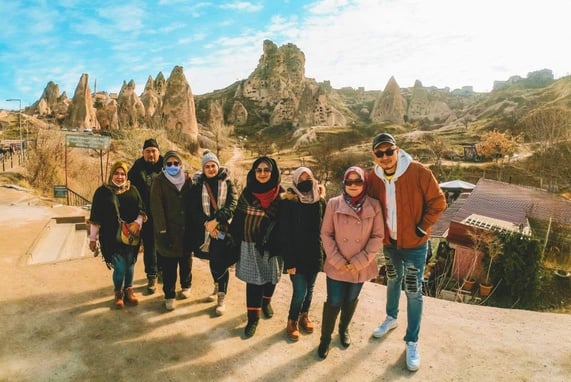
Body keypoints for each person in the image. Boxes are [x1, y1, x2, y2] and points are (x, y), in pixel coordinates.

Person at [367, 132, 446, 372]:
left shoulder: (419, 172)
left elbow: (438, 202)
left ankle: (412, 341)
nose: (385, 157)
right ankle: (391, 317)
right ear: (374, 156)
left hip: (414, 245)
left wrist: (422, 227)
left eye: (389, 151)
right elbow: (362, 198)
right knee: (392, 279)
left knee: (413, 290)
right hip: (390, 244)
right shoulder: (374, 178)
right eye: (379, 153)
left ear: (397, 150)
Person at [318, 165, 384, 359]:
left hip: (360, 265)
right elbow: (326, 234)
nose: (353, 185)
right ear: (344, 183)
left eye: (358, 181)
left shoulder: (374, 205)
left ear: (364, 183)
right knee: (334, 301)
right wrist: (337, 260)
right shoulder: (333, 203)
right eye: (349, 181)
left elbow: (378, 235)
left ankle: (343, 329)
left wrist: (359, 261)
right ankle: (325, 339)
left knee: (350, 300)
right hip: (337, 264)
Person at [230, 156, 284, 338]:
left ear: (273, 172)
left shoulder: (282, 195)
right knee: (254, 283)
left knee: (270, 278)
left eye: (266, 170)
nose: (262, 173)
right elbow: (238, 218)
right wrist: (232, 239)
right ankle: (253, 318)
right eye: (258, 170)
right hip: (250, 245)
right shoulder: (247, 193)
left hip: (273, 247)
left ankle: (266, 302)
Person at [88, 161, 146, 309]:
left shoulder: (133, 190)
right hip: (110, 238)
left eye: (122, 174)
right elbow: (95, 218)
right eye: (116, 173)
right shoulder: (102, 192)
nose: (120, 177)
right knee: (120, 267)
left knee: (130, 264)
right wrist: (93, 239)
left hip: (131, 236)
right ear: (111, 174)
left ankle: (129, 290)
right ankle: (118, 292)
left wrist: (137, 223)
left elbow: (142, 211)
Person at [188, 150, 237, 316]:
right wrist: (206, 224)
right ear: (203, 169)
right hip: (206, 233)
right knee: (212, 260)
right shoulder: (198, 186)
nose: (210, 169)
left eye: (213, 165)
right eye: (207, 166)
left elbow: (232, 205)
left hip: (223, 230)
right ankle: (217, 285)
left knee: (221, 262)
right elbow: (194, 209)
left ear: (218, 166)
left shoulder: (228, 183)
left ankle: (221, 296)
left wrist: (215, 222)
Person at [280, 166, 326, 341]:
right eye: (301, 179)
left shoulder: (320, 202)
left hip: (314, 254)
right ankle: (292, 320)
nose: (305, 181)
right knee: (300, 291)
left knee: (310, 289)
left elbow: (326, 230)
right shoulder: (289, 202)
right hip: (296, 256)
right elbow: (285, 234)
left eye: (308, 178)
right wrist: (289, 262)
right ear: (295, 181)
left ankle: (304, 316)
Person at [150, 150, 193, 311]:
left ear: (181, 164)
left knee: (186, 261)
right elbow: (156, 208)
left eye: (176, 163)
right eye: (169, 164)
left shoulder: (187, 180)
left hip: (186, 229)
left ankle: (186, 285)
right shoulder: (159, 181)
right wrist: (162, 231)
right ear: (164, 166)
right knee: (169, 265)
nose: (173, 166)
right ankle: (169, 294)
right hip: (168, 230)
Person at [128, 138, 163, 294]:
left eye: (153, 151)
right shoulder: (136, 169)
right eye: (148, 151)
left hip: (163, 214)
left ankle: (163, 271)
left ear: (158, 152)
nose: (151, 154)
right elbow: (129, 190)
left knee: (165, 244)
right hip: (145, 215)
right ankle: (152, 275)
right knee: (150, 246)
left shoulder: (166, 165)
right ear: (143, 153)